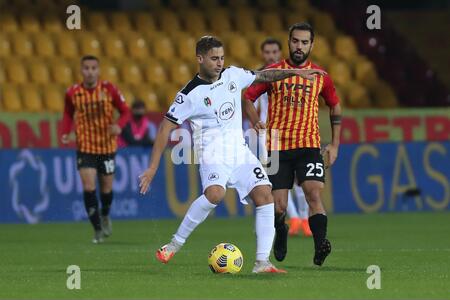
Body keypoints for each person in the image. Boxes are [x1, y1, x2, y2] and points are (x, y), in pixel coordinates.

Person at [138, 36, 325, 273]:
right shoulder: (189, 94)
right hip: (212, 154)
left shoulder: (232, 75)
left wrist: (294, 74)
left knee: (264, 194)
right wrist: (153, 167)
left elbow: (263, 75)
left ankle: (261, 263)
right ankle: (174, 245)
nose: (219, 63)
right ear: (200, 59)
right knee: (215, 194)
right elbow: (166, 127)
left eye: (222, 58)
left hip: (240, 151)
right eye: (214, 58)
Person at [244, 23, 342, 266]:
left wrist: (335, 144)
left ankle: (320, 246)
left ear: (312, 45)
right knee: (278, 206)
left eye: (304, 42)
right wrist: (256, 121)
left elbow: (335, 105)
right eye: (295, 41)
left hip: (309, 145)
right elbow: (247, 97)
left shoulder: (321, 76)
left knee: (313, 193)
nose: (299, 46)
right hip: (277, 148)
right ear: (289, 42)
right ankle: (282, 231)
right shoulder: (273, 72)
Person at [61, 55, 130, 243]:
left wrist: (119, 126)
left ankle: (105, 214)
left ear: (98, 71)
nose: (90, 71)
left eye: (93, 68)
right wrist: (66, 132)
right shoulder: (73, 92)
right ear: (81, 71)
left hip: (107, 146)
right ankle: (97, 229)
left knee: (106, 189)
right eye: (86, 68)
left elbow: (125, 111)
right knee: (89, 187)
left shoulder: (109, 89)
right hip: (85, 147)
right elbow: (68, 113)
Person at [255, 38, 312, 237]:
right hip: (267, 135)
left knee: (298, 178)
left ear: (280, 53)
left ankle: (304, 219)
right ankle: (295, 218)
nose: (270, 55)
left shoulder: (289, 74)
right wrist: (255, 122)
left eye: (274, 52)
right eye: (267, 52)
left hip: (291, 132)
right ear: (263, 54)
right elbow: (252, 105)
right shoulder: (261, 77)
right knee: (278, 179)